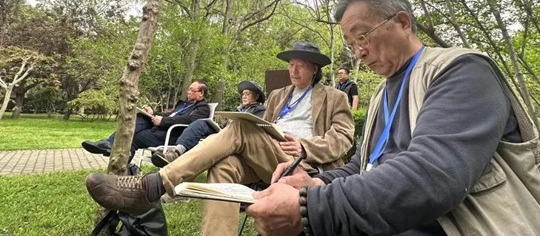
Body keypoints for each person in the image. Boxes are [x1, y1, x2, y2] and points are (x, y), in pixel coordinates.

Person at [246, 0, 540, 236]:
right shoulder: (382, 93)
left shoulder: (462, 70)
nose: (360, 52)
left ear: (403, 22)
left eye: (363, 36)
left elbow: (431, 175)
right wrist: (316, 182)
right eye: (351, 45)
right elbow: (363, 165)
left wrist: (310, 206)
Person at [85, 41, 355, 236]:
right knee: (224, 165)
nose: (293, 71)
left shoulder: (334, 97)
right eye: (291, 65)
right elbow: (268, 126)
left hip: (302, 162)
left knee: (241, 128)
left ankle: (154, 185)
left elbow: (344, 137)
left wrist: (305, 148)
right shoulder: (278, 96)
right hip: (271, 156)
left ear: (315, 70)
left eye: (300, 66)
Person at [151, 80, 266, 167]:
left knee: (201, 123)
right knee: (201, 123)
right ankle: (177, 152)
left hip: (237, 138)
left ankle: (177, 154)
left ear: (256, 96)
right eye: (243, 94)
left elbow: (253, 129)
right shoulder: (238, 109)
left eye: (248, 94)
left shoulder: (260, 110)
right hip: (224, 132)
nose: (244, 96)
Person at [81, 81, 210, 157]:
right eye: (188, 89)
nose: (188, 92)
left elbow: (189, 120)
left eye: (192, 90)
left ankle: (120, 162)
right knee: (142, 117)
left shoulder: (203, 108)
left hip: (172, 135)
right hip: (160, 131)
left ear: (201, 93)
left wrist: (163, 122)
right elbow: (169, 115)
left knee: (134, 138)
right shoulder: (183, 105)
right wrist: (153, 113)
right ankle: (110, 143)